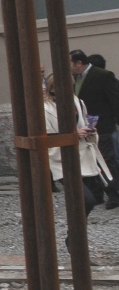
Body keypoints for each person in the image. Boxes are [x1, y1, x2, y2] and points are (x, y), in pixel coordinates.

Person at [44, 73, 110, 215]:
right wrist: (75, 135)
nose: (68, 89)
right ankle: (73, 235)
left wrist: (90, 132)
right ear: (53, 88)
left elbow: (84, 124)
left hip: (83, 157)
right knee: (87, 200)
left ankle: (77, 236)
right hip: (62, 161)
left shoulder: (77, 102)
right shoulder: (45, 108)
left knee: (82, 201)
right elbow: (48, 138)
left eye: (71, 85)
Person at [71, 49, 119, 209]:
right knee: (90, 159)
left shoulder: (102, 75)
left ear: (79, 63)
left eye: (70, 63)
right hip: (84, 127)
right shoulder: (75, 79)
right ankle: (97, 193)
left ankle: (113, 194)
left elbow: (115, 100)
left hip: (102, 127)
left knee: (106, 160)